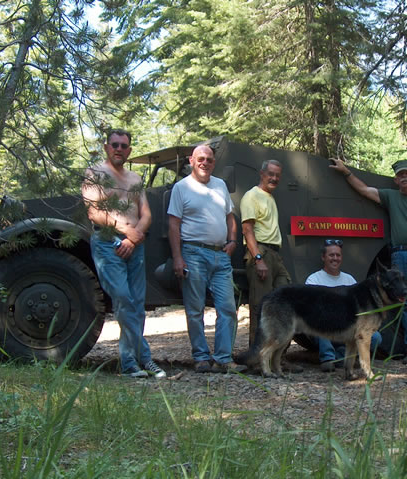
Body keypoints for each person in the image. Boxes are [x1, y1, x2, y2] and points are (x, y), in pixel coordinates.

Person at [330, 159, 407, 365]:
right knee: (406, 304)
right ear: (396, 179)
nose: (404, 177)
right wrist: (346, 172)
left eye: (406, 173)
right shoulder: (391, 197)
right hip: (400, 255)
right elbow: (364, 190)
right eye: (400, 175)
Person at [82, 129, 166, 378]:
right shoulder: (95, 173)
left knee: (137, 304)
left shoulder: (134, 178)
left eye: (124, 146)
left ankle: (130, 364)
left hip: (135, 244)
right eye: (115, 144)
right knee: (123, 298)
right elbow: (94, 212)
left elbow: (146, 213)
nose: (119, 149)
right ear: (106, 147)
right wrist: (126, 231)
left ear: (129, 150)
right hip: (107, 242)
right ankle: (145, 358)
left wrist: (134, 235)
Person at [167, 143, 246, 373]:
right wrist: (177, 257)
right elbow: (173, 224)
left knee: (228, 308)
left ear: (214, 163)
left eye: (209, 160)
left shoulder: (220, 185)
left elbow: (230, 216)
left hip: (221, 255)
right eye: (200, 159)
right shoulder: (181, 188)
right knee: (195, 309)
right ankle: (201, 357)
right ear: (191, 161)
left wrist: (232, 241)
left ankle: (223, 358)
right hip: (193, 253)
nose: (205, 163)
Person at [304, 239, 383, 372]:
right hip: (324, 330)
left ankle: (342, 356)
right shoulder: (313, 279)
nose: (335, 258)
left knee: (376, 338)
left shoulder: (349, 280)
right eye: (331, 255)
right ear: (323, 257)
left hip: (347, 329)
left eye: (338, 255)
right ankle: (328, 359)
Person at [240, 159, 292, 345]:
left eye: (277, 175)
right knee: (261, 308)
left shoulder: (270, 197)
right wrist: (258, 259)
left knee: (285, 303)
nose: (274, 178)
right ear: (262, 174)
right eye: (271, 174)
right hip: (260, 252)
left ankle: (277, 355)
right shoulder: (251, 196)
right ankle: (257, 356)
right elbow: (247, 230)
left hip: (274, 254)